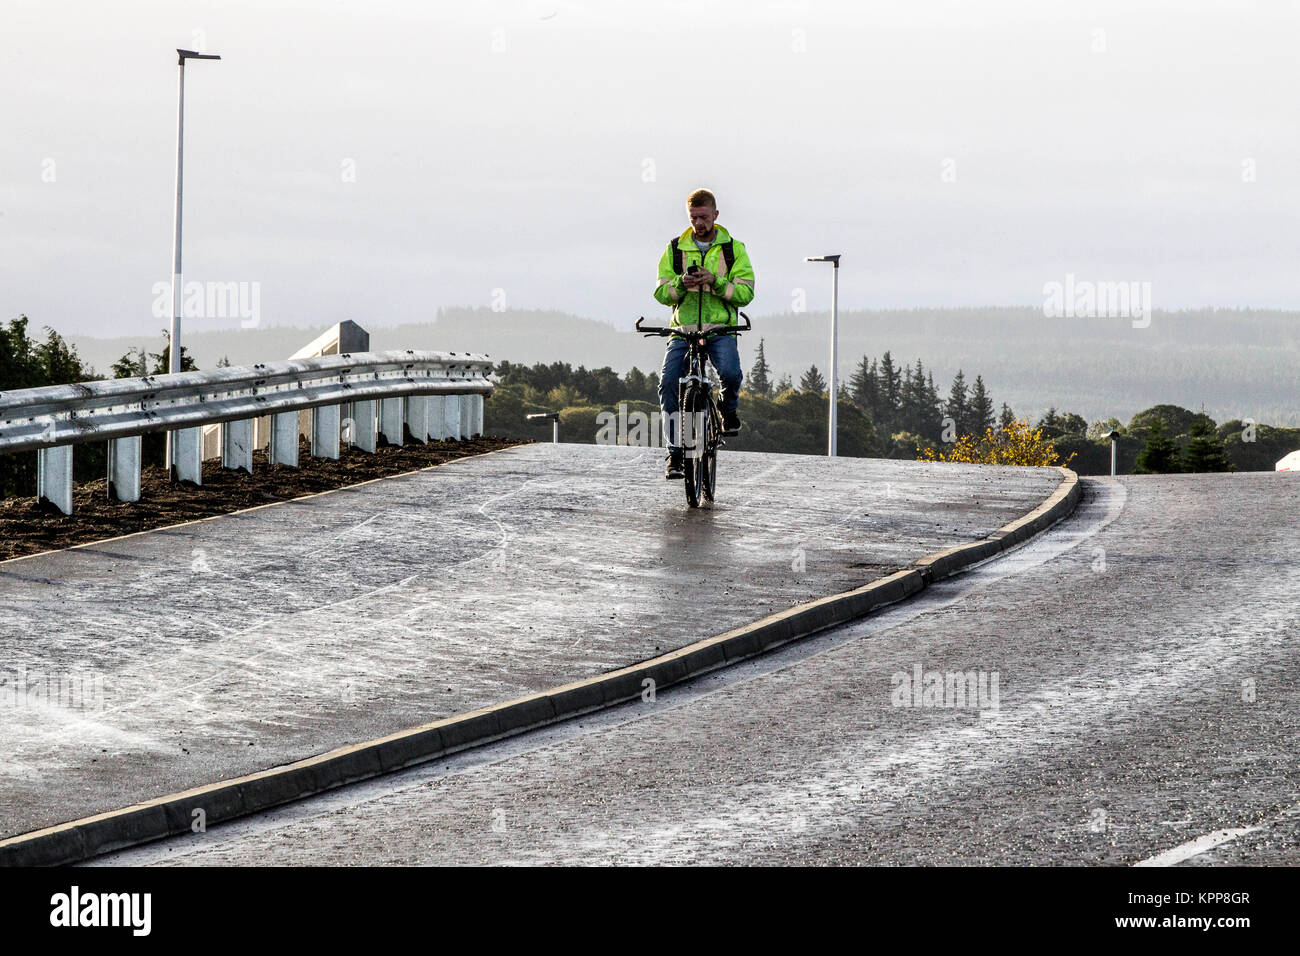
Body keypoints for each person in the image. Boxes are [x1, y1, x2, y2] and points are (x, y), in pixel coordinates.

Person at [653, 188, 756, 479]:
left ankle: (727, 408)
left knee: (731, 373)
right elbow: (661, 292)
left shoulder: (733, 249)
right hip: (683, 330)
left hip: (719, 329)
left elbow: (746, 292)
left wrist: (716, 281)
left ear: (715, 215)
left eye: (703, 217)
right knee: (668, 383)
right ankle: (675, 454)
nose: (698, 223)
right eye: (693, 217)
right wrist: (681, 283)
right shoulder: (674, 249)